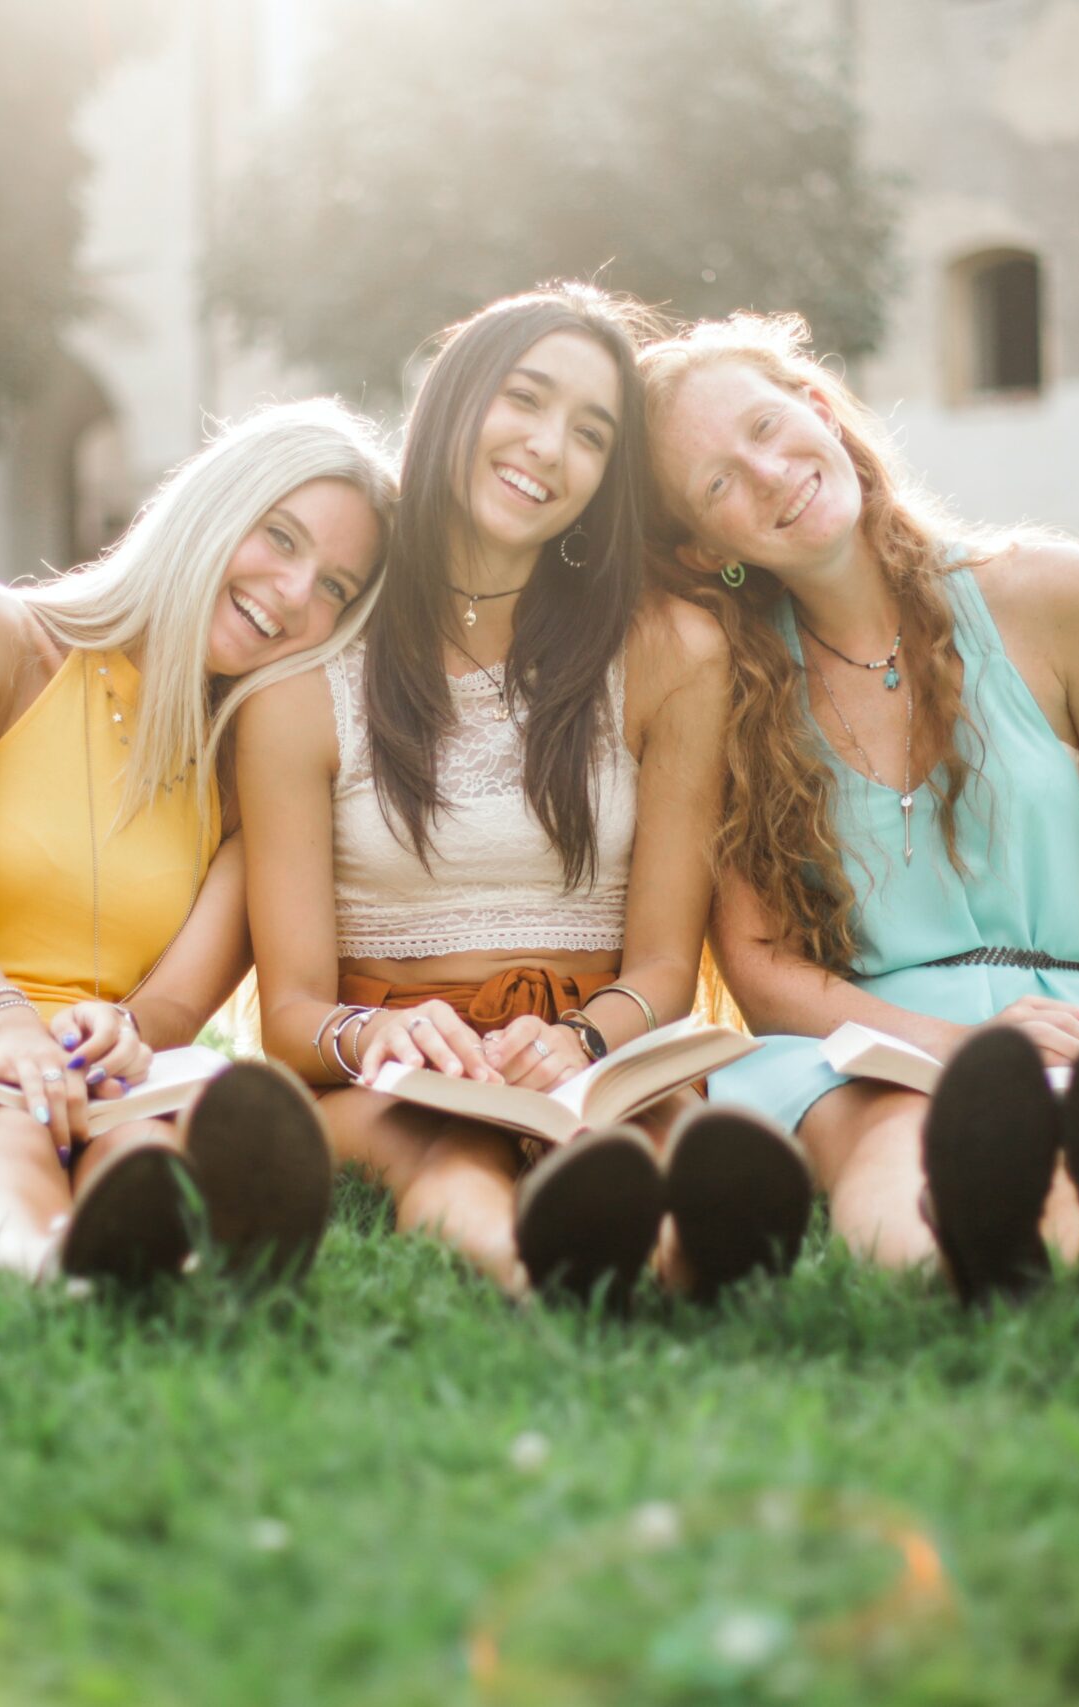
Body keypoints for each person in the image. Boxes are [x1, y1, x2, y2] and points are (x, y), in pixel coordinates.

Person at [639, 313, 1079, 1306]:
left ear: (820, 407)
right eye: (715, 484)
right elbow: (761, 968)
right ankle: (961, 1266)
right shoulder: (729, 686)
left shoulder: (1057, 597)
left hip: (1054, 1027)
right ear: (703, 550)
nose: (765, 472)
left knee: (1056, 1132)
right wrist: (950, 1050)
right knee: (885, 1141)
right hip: (852, 1045)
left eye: (764, 427)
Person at [238, 286, 812, 1305]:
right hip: (392, 1069)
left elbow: (664, 966)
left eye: (590, 434)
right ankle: (535, 1276)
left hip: (591, 1050)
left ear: (605, 482)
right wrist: (377, 1036)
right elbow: (287, 1010)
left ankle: (687, 1264)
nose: (549, 448)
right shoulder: (302, 684)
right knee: (446, 1161)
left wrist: (582, 1039)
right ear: (454, 402)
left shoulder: (670, 652)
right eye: (525, 399)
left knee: (658, 1141)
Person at [0, 400, 396, 1285]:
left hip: (115, 1077)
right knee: (0, 1135)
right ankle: (47, 1270)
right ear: (214, 507)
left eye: (336, 586)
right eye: (281, 538)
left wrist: (120, 1031)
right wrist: (10, 1030)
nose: (296, 594)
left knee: (142, 1144)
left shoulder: (253, 769)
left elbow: (178, 1007)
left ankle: (167, 1255)